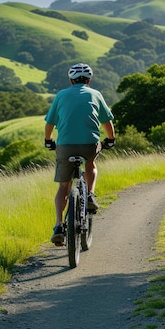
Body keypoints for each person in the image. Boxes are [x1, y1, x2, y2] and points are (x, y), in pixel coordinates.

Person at [44, 63, 115, 246]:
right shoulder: (96, 94)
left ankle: (59, 226)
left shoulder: (61, 95)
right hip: (89, 144)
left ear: (71, 80)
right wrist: (111, 139)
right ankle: (90, 194)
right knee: (90, 164)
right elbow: (107, 121)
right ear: (89, 80)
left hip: (65, 146)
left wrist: (48, 140)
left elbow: (50, 123)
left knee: (63, 188)